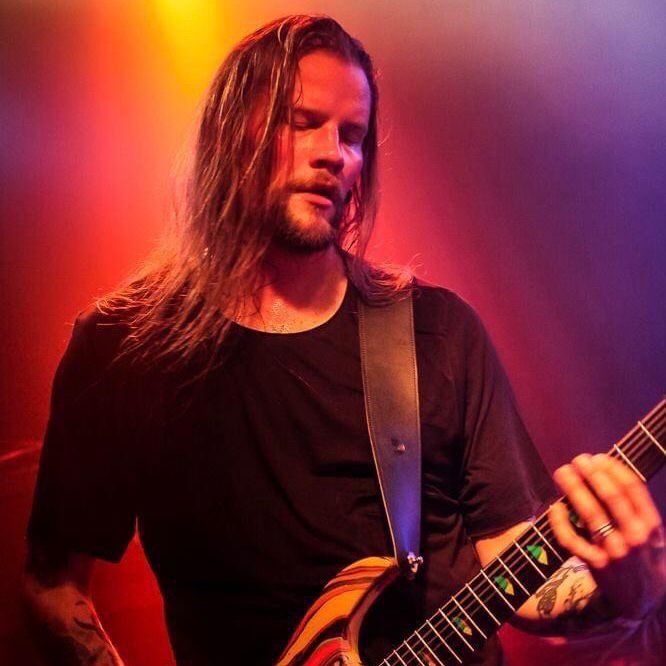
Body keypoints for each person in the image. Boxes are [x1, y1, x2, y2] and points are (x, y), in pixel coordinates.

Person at [24, 14, 664, 666]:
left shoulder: (437, 332)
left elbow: (514, 571)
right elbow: (53, 585)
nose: (335, 153)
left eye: (352, 135)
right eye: (303, 122)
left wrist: (627, 586)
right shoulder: (124, 348)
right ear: (229, 134)